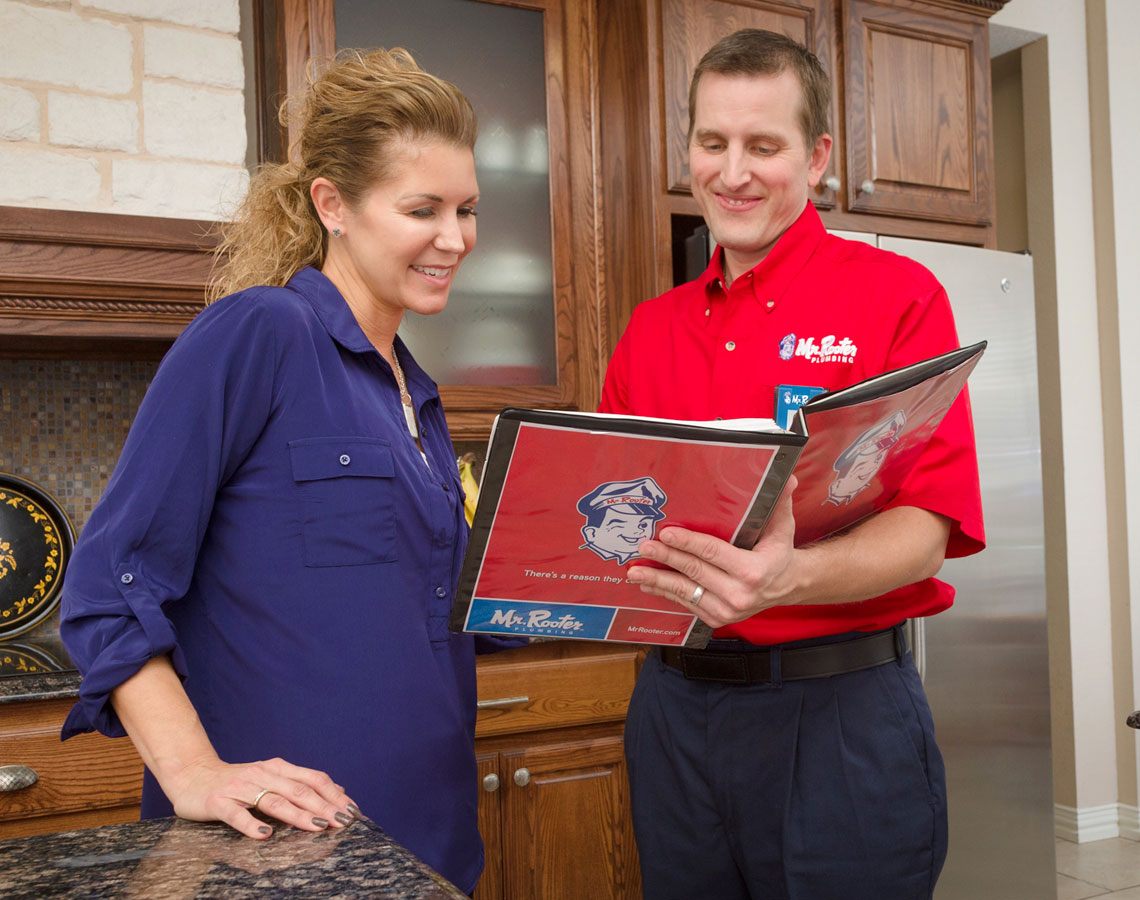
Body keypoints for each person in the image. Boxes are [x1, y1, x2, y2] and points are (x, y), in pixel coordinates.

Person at [59, 47, 488, 893]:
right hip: (279, 856)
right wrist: (193, 772)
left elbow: (450, 604)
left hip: (429, 836)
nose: (455, 238)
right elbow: (110, 584)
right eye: (423, 208)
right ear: (333, 204)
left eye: (468, 209)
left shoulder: (418, 394)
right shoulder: (259, 335)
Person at [599, 29, 984, 900]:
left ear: (816, 159)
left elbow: (926, 532)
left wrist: (790, 577)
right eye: (712, 142)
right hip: (673, 715)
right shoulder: (649, 330)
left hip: (840, 717)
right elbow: (609, 515)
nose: (731, 172)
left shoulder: (898, 299)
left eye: (762, 146)